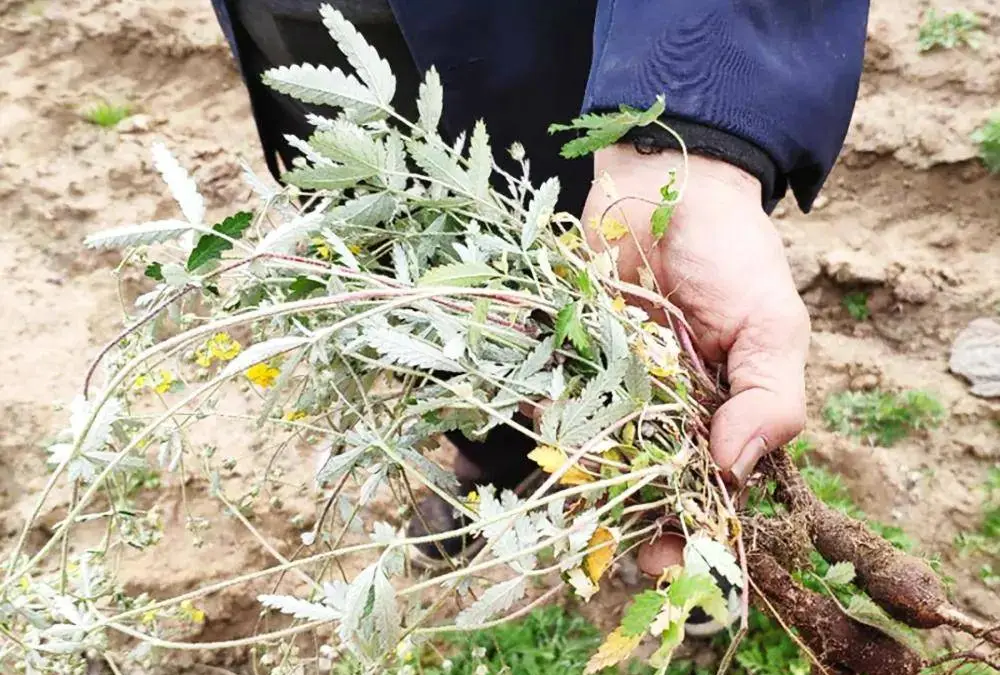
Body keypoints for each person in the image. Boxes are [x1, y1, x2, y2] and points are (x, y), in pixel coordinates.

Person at [209, 1, 869, 583]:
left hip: (546, 39)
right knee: (425, 286)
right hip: (296, 25)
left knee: (614, 262)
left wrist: (700, 131)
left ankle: (702, 514)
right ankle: (489, 454)